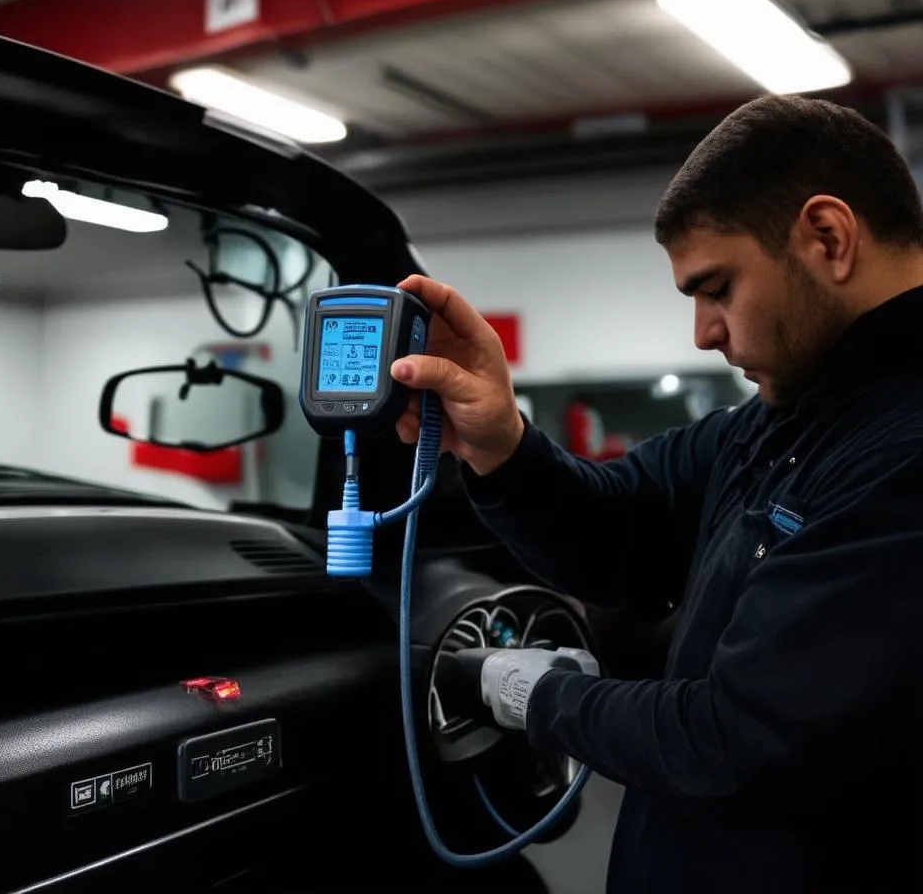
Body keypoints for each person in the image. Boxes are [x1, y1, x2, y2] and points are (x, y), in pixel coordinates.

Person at [389, 95, 923, 894]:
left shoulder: (902, 452)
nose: (704, 332)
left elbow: (733, 740)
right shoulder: (780, 418)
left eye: (717, 288)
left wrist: (530, 691)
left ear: (828, 237)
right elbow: (621, 533)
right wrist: (502, 444)